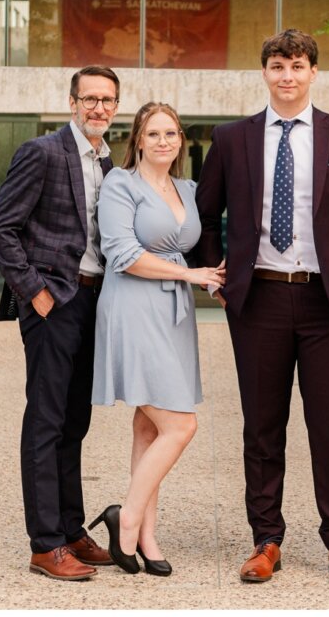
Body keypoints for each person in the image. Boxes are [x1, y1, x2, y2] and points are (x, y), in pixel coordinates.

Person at [194, 29, 329, 586]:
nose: (287, 75)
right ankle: (266, 540)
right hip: (257, 299)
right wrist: (217, 282)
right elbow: (207, 217)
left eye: (297, 65)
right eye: (277, 65)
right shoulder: (231, 139)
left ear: (313, 73)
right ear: (264, 73)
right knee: (262, 426)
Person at [0, 66, 122, 581]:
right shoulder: (42, 152)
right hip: (53, 303)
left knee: (75, 423)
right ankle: (45, 544)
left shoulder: (110, 161)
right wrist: (34, 292)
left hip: (94, 303)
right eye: (89, 99)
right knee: (45, 421)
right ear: (71, 102)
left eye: (107, 100)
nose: (98, 108)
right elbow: (0, 227)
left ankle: (69, 529)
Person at [88, 102, 225, 577]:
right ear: (138, 140)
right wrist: (191, 275)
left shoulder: (188, 188)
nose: (164, 140)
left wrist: (213, 281)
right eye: (154, 133)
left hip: (174, 313)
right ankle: (124, 519)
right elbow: (123, 254)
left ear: (180, 140)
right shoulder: (120, 185)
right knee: (180, 425)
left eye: (172, 133)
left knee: (149, 427)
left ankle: (147, 535)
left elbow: (200, 252)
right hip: (132, 306)